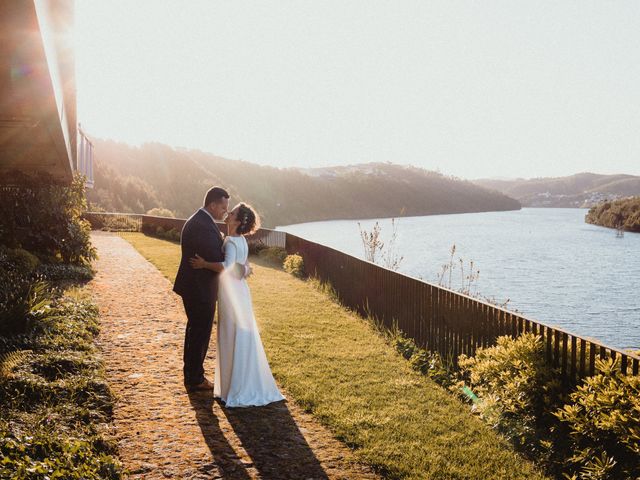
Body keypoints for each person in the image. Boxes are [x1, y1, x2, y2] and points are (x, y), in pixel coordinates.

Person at [190, 203, 285, 407]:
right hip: (240, 290)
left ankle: (235, 387)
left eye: (231, 212)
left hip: (231, 292)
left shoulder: (232, 241)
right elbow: (243, 265)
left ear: (238, 221)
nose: (228, 213)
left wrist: (204, 264)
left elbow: (228, 267)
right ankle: (237, 382)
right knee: (240, 334)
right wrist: (245, 269)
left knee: (231, 333)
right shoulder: (240, 240)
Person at [173, 186, 229, 392]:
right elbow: (216, 258)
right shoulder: (202, 225)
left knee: (195, 331)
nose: (225, 211)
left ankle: (192, 375)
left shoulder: (202, 221)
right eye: (223, 207)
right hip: (199, 288)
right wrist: (229, 249)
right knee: (200, 332)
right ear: (212, 205)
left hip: (197, 286)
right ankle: (195, 378)